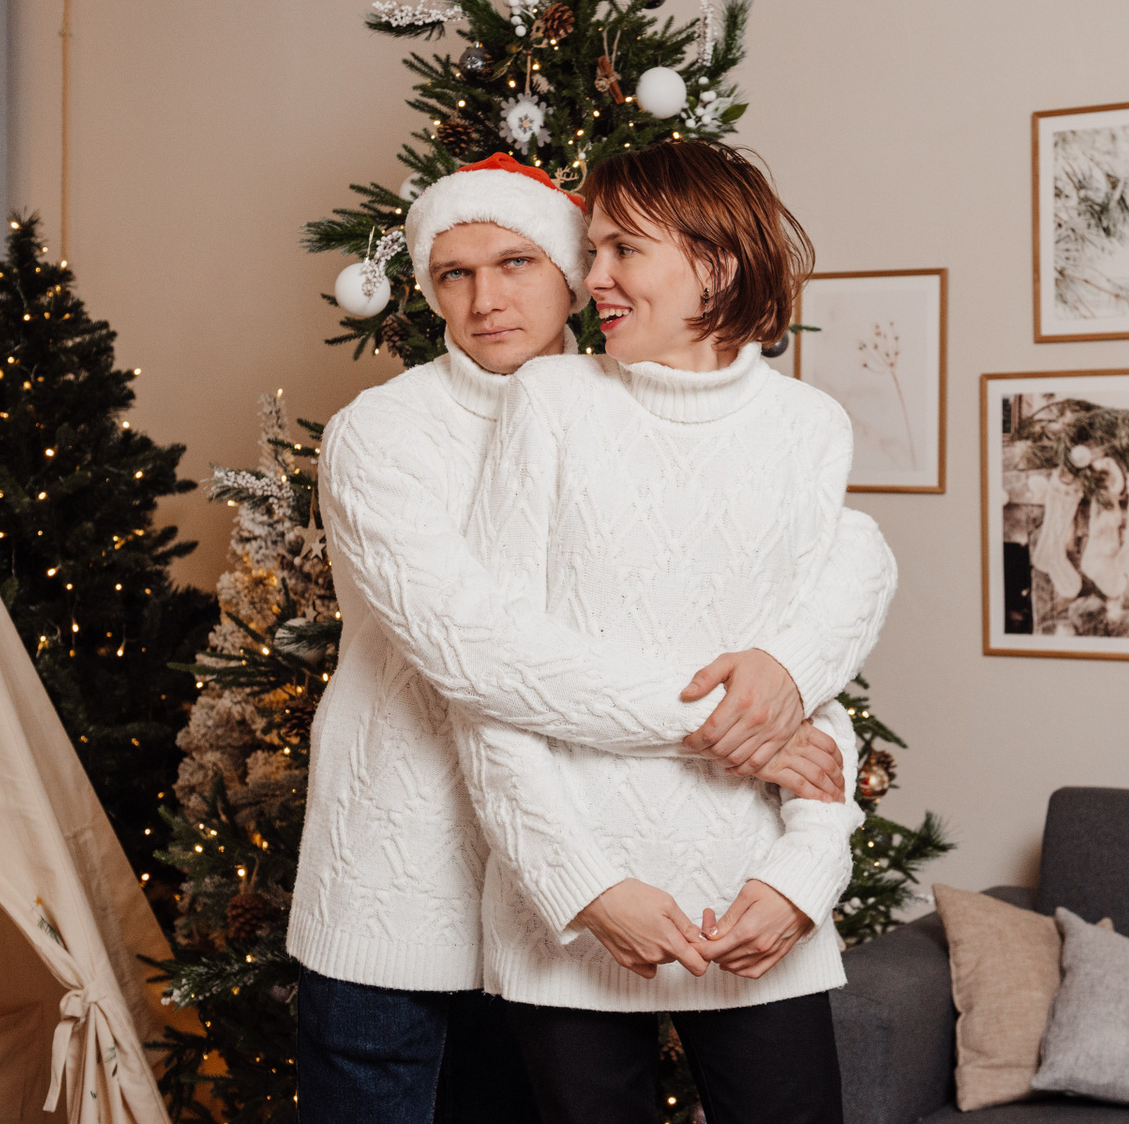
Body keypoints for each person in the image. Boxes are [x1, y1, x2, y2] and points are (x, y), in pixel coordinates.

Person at [291, 152, 895, 1121]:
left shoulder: (640, 408)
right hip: (413, 872)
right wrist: (738, 726)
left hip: (566, 881)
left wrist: (788, 685)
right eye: (454, 273)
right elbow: (477, 653)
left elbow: (827, 577)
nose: (487, 298)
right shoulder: (389, 431)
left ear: (568, 274)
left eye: (518, 262)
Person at [455, 141, 878, 1123]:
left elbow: (807, 693)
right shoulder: (549, 403)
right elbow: (488, 680)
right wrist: (585, 888)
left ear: (715, 264)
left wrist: (804, 876)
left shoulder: (809, 428)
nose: (592, 278)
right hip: (577, 911)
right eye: (591, 251)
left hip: (758, 900)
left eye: (623, 251)